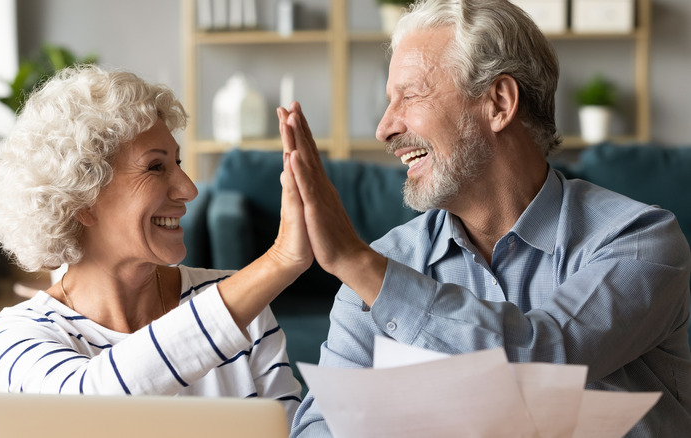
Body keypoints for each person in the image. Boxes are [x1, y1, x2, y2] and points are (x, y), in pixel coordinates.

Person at [280, 0, 691, 436]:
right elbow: (321, 427)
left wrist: (356, 263)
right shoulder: (382, 265)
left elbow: (546, 357)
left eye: (411, 95)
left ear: (498, 102)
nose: (384, 128)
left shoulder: (640, 240)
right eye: (388, 102)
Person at [0, 64, 312, 426]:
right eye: (155, 167)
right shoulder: (14, 337)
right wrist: (280, 261)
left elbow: (290, 431)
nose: (189, 189)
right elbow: (85, 409)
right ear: (82, 199)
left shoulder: (245, 309)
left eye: (178, 162)